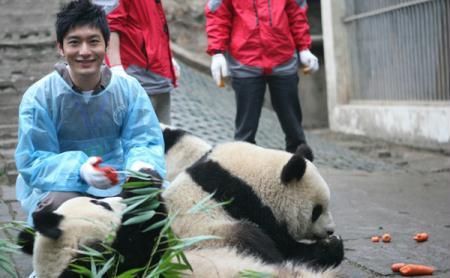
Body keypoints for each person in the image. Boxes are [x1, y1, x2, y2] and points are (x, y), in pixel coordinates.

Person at [15, 0, 166, 226]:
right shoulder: (40, 97)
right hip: (63, 185)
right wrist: (80, 170)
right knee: (57, 212)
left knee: (155, 204)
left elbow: (143, 140)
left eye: (93, 41)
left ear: (106, 44)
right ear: (60, 47)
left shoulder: (128, 89)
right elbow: (34, 159)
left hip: (118, 178)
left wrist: (141, 167)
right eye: (74, 42)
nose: (84, 52)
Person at [205, 0, 319, 154]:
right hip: (245, 60)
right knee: (245, 130)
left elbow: (296, 13)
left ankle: (301, 169)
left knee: (293, 128)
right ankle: (242, 171)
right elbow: (218, 14)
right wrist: (217, 52)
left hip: (283, 58)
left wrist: (304, 47)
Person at [104, 0, 180, 125]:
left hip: (159, 80)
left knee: (162, 140)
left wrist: (168, 61)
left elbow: (154, 29)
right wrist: (115, 67)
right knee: (136, 138)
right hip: (137, 79)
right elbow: (109, 24)